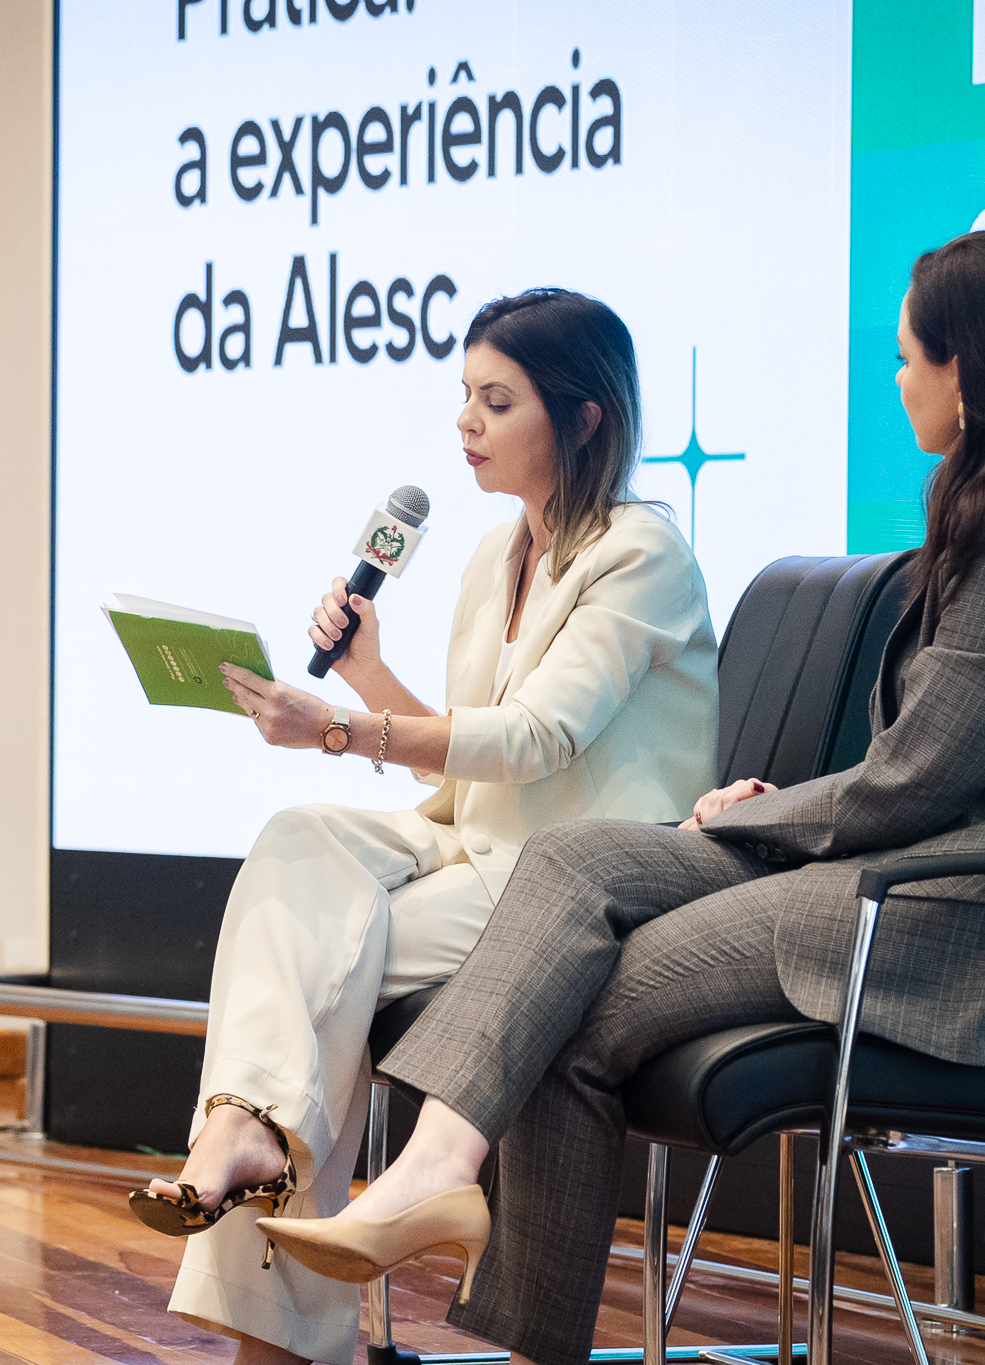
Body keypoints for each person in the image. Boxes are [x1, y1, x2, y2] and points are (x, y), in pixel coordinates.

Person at [257, 230, 985, 1365]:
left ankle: (477, 1252)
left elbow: (918, 783)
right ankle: (438, 1171)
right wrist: (770, 805)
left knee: (568, 1002)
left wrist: (749, 817)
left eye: (909, 360)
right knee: (573, 860)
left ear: (971, 372)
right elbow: (925, 766)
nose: (897, 381)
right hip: (893, 870)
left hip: (961, 917)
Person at [130, 288, 721, 1365]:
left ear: (583, 417)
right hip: (473, 838)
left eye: (496, 401)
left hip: (573, 875)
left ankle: (259, 1228)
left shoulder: (642, 554)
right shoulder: (494, 555)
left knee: (318, 959)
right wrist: (364, 676)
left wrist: (338, 727)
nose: (465, 423)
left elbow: (536, 739)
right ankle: (247, 1129)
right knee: (297, 840)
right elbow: (462, 752)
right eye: (464, 397)